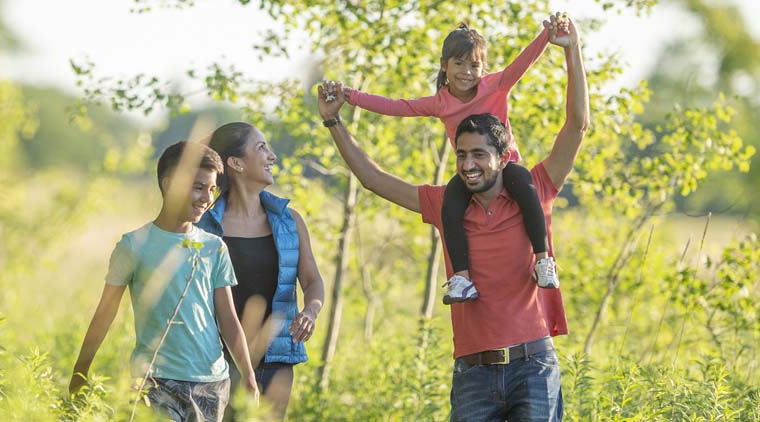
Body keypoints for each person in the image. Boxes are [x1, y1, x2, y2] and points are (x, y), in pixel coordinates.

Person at [319, 13, 587, 420]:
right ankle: (460, 279)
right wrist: (334, 119)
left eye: (479, 155)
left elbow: (577, 124)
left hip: (533, 365)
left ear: (501, 157)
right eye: (462, 155)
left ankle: (543, 261)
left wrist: (571, 50)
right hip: (473, 373)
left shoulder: (535, 187)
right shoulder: (447, 204)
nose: (469, 164)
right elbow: (373, 178)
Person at [341, 18, 562, 305]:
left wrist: (548, 34)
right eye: (459, 64)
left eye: (474, 66)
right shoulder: (440, 102)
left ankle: (543, 261)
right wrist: (350, 96)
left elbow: (523, 63)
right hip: (470, 172)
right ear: (445, 65)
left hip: (504, 165)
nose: (466, 72)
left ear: (483, 68)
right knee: (451, 207)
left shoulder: (496, 86)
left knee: (525, 187)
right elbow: (396, 106)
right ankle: (462, 279)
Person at [69, 141, 259, 421]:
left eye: (212, 188)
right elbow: (105, 314)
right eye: (198, 187)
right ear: (170, 184)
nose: (207, 197)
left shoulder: (213, 247)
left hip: (211, 383)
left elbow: (228, 319)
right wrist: (80, 370)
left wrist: (248, 374)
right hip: (155, 380)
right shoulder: (134, 245)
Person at [195, 122, 325, 419]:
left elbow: (312, 280)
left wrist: (310, 311)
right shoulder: (205, 227)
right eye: (261, 147)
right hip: (218, 361)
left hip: (277, 360)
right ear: (236, 163)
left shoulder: (289, 221)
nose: (272, 156)